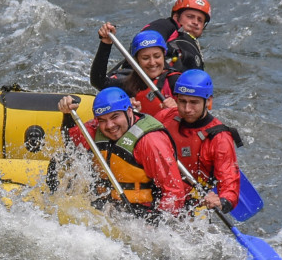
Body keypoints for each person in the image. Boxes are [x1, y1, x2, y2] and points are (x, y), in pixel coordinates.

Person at [55, 87, 187, 216]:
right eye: (102, 120)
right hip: (104, 207)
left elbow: (174, 191)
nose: (109, 125)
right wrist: (68, 115)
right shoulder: (96, 129)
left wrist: (156, 221)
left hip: (143, 213)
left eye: (115, 117)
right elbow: (72, 144)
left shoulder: (151, 141)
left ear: (129, 112)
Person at [153, 70, 242, 214]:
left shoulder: (219, 138)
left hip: (192, 203)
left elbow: (229, 180)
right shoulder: (166, 116)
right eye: (182, 101)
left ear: (208, 101)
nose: (187, 109)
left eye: (194, 102)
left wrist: (222, 201)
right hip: (159, 193)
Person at [89, 27, 177, 116]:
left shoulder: (175, 81)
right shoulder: (130, 84)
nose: (152, 62)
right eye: (145, 58)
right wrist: (106, 43)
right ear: (136, 61)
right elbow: (98, 81)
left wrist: (177, 111)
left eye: (157, 56)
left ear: (163, 56)